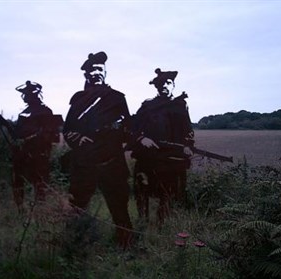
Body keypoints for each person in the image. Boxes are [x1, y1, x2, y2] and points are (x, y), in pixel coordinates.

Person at [63, 51, 133, 248]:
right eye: (92, 70)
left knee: (119, 209)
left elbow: (128, 130)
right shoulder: (78, 99)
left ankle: (126, 246)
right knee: (77, 207)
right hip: (84, 164)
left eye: (100, 69)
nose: (96, 73)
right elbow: (68, 130)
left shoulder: (117, 98)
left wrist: (120, 129)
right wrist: (79, 139)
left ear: (105, 72)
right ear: (86, 74)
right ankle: (73, 244)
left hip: (111, 163)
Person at [130, 68, 195, 224]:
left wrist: (188, 145)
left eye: (168, 82)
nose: (165, 86)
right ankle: (142, 225)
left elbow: (188, 130)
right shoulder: (147, 106)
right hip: (149, 158)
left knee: (168, 196)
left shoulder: (180, 105)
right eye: (161, 83)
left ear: (173, 85)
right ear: (156, 86)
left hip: (172, 160)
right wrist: (141, 138)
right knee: (143, 193)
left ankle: (163, 227)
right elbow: (133, 127)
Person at [10, 80, 62, 209]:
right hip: (23, 153)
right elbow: (18, 133)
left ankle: (41, 213)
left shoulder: (44, 111)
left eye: (27, 94)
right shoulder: (25, 112)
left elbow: (49, 134)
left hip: (39, 153)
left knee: (39, 185)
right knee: (18, 182)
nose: (25, 96)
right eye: (24, 94)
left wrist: (34, 138)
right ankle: (20, 209)